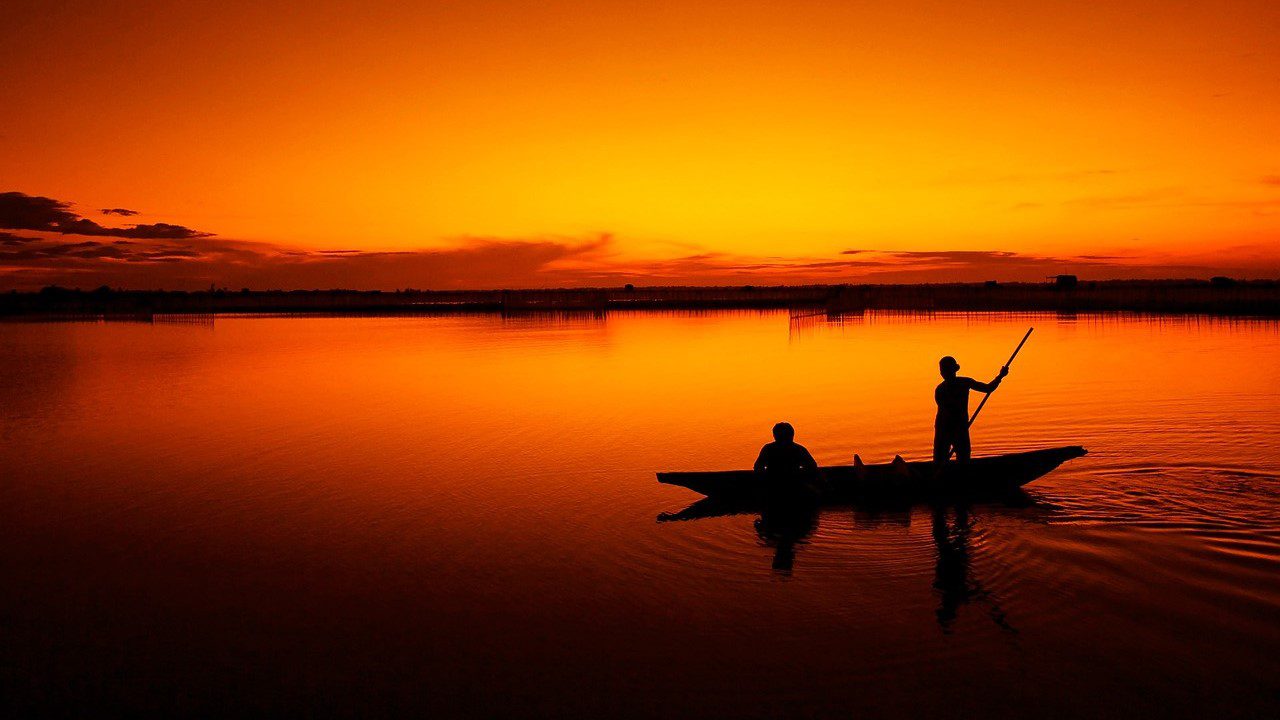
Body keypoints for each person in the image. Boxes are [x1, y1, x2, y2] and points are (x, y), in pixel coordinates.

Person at [933, 356, 1008, 463]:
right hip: (949, 427)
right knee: (949, 459)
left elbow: (987, 389)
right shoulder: (949, 387)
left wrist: (1000, 376)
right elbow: (946, 411)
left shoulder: (960, 383)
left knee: (954, 459)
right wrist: (1000, 376)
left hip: (952, 427)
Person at [753, 422, 818, 494]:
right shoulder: (799, 449)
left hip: (773, 486)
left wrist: (766, 479)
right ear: (792, 435)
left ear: (775, 435)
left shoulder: (768, 448)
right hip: (794, 485)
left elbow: (758, 467)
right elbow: (812, 466)